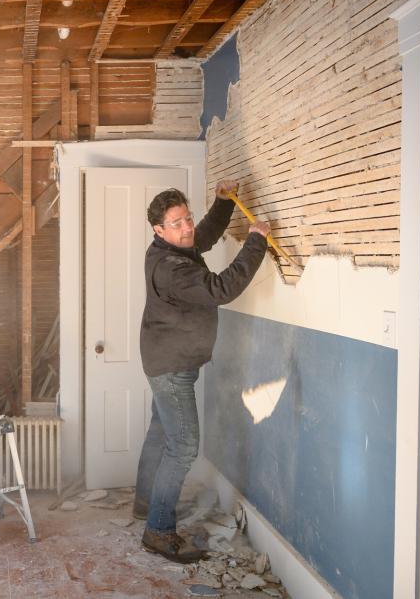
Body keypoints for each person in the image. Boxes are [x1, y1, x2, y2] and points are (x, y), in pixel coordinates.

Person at [133, 180, 270, 564]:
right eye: (176, 223)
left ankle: (146, 502)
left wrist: (222, 203)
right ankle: (158, 531)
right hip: (171, 367)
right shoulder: (172, 267)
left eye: (187, 218)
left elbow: (203, 236)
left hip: (165, 358)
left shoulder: (171, 247)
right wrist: (256, 241)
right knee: (184, 447)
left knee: (161, 433)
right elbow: (222, 288)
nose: (187, 227)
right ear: (158, 230)